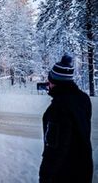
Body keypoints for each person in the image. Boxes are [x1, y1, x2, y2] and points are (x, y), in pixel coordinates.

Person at [39, 54, 93, 183]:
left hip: (64, 173)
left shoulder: (58, 108)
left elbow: (54, 149)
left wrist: (45, 177)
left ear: (55, 82)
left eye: (50, 80)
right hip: (84, 167)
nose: (48, 84)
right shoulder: (83, 99)